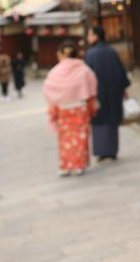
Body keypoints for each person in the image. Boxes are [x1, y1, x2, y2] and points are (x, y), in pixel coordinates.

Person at [43, 40, 98, 177]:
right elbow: (92, 88)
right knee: (80, 137)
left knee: (64, 139)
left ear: (60, 54)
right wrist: (92, 107)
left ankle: (65, 166)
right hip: (80, 108)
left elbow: (49, 90)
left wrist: (53, 112)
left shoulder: (55, 72)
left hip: (63, 110)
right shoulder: (84, 69)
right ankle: (79, 165)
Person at [84, 24, 130, 161]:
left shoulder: (90, 54)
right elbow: (121, 72)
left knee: (99, 122)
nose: (88, 37)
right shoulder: (112, 51)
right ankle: (112, 150)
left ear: (95, 36)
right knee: (112, 121)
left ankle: (102, 152)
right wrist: (123, 89)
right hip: (113, 92)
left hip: (98, 94)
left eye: (90, 34)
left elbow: (86, 76)